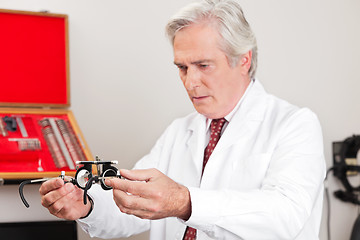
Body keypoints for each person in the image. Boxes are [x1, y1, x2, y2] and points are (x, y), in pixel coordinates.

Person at [39, 0, 326, 239]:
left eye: (203, 65)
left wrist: (185, 202)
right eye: (182, 67)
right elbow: (134, 207)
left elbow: (286, 216)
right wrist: (87, 206)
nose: (190, 82)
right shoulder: (179, 131)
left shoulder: (294, 124)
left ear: (243, 60)